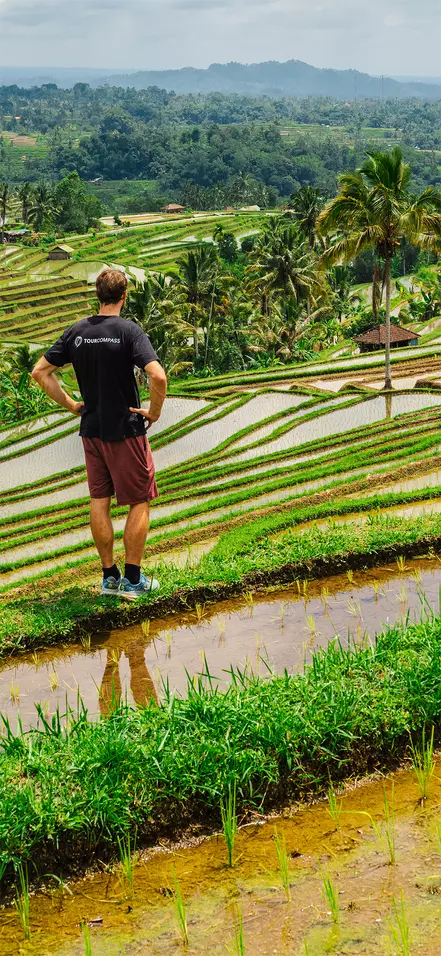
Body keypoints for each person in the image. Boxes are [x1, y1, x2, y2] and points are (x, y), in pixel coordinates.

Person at [32, 268, 167, 600]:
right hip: (125, 430)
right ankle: (133, 581)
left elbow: (40, 372)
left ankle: (109, 578)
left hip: (91, 430)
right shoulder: (129, 331)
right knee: (139, 500)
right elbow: (158, 376)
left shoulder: (77, 331)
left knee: (99, 501)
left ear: (98, 295)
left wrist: (71, 405)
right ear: (124, 296)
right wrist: (154, 412)